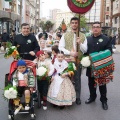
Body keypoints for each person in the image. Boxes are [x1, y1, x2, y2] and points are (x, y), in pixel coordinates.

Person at [59, 17, 87, 105]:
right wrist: (70, 52)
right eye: (73, 23)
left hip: (78, 61)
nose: (74, 24)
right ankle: (67, 96)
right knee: (67, 78)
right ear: (70, 24)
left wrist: (80, 43)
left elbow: (85, 50)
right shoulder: (65, 35)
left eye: (76, 22)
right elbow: (61, 47)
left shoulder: (83, 35)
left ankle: (77, 97)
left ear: (78, 24)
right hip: (68, 60)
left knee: (77, 79)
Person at [84, 21, 112, 110]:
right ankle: (92, 97)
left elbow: (109, 51)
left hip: (101, 67)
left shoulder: (106, 39)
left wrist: (98, 57)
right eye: (94, 27)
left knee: (102, 84)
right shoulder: (87, 39)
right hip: (91, 67)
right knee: (91, 84)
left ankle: (104, 100)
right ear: (92, 29)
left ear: (100, 29)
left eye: (97, 27)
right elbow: (85, 52)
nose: (96, 28)